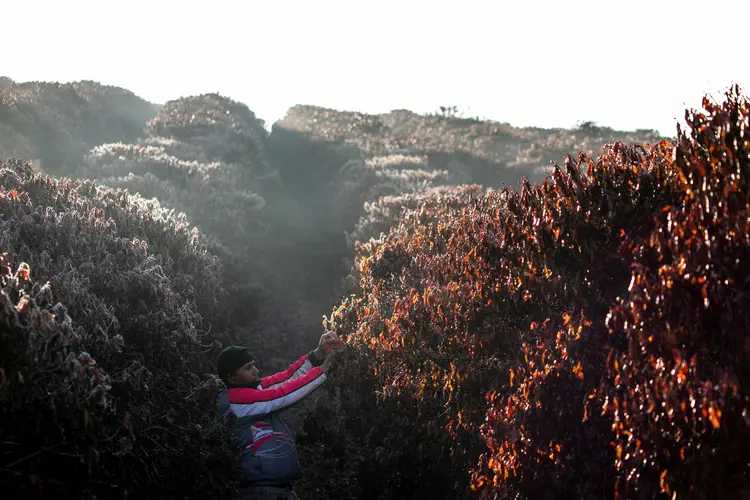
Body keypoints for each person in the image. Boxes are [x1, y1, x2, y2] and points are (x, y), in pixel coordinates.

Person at [216, 332, 342, 500]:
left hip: (279, 491)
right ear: (231, 378)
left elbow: (287, 378)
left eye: (254, 365)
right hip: (258, 493)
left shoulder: (254, 388)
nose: (256, 371)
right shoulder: (233, 400)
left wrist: (317, 355)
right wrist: (324, 370)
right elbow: (281, 395)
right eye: (248, 368)